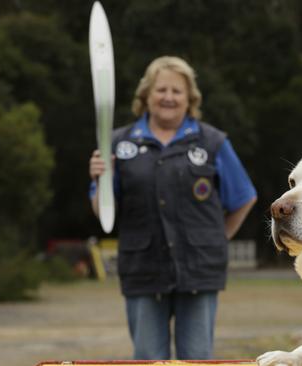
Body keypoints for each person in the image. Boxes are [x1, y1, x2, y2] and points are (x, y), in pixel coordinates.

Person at [88, 56, 257, 360]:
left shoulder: (212, 142)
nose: (168, 97)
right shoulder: (116, 143)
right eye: (160, 89)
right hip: (142, 270)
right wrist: (100, 180)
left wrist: (218, 238)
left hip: (199, 271)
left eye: (177, 91)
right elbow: (103, 213)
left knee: (197, 358)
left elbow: (244, 197)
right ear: (146, 96)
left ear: (190, 98)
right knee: (149, 358)